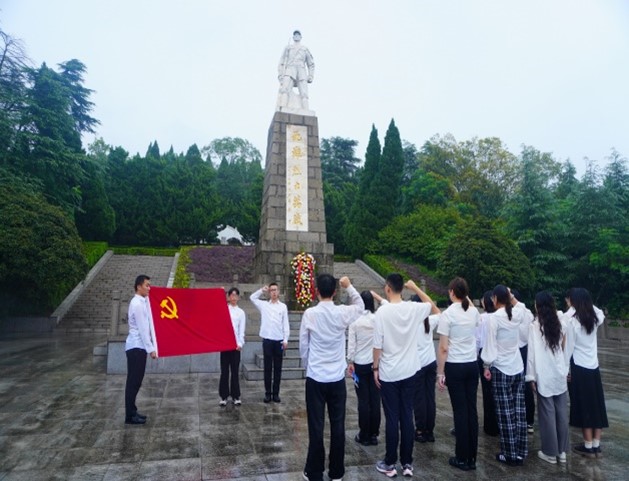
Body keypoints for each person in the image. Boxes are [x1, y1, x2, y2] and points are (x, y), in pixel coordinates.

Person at [373, 275, 440, 479]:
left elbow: (377, 345)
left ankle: (390, 462)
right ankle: (407, 463)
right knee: (407, 416)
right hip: (410, 371)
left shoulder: (382, 312)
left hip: (389, 372)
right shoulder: (413, 309)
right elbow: (432, 305)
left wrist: (375, 368)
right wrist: (416, 288)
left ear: (388, 288)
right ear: (402, 288)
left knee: (392, 417)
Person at [300, 274, 364, 481]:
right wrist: (349, 286)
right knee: (338, 425)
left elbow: (303, 345)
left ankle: (314, 471)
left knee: (316, 425)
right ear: (335, 292)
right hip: (336, 378)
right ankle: (336, 471)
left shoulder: (310, 314)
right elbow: (361, 306)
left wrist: (308, 366)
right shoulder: (342, 312)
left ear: (316, 291)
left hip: (316, 377)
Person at [437, 277, 480, 471]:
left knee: (460, 412)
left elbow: (443, 348)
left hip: (455, 366)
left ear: (452, 292)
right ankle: (472, 457)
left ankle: (462, 457)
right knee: (471, 410)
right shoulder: (473, 312)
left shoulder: (447, 315)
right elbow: (470, 306)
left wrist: (440, 373)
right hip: (472, 365)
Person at [481, 285, 528, 466]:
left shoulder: (495, 318)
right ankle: (520, 451)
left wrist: (486, 365)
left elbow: (490, 344)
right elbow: (522, 307)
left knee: (505, 413)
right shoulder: (516, 313)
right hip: (517, 367)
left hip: (501, 368)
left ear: (494, 298)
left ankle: (509, 453)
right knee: (519, 411)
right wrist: (511, 296)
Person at [525, 291, 569, 464]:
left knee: (547, 413)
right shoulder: (561, 322)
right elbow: (564, 346)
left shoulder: (535, 326)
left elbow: (531, 354)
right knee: (561, 412)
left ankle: (550, 452)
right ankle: (562, 452)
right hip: (559, 371)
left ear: (538, 306)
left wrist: (531, 376)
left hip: (543, 372)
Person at [564, 287, 608, 458]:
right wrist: (588, 304)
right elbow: (600, 312)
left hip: (579, 366)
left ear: (574, 302)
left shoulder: (573, 321)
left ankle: (588, 445)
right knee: (596, 405)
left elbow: (568, 348)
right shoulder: (594, 318)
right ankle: (596, 444)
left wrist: (565, 369)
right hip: (593, 367)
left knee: (584, 406)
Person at [347, 290, 382, 447]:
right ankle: (374, 433)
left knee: (363, 400)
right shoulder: (378, 319)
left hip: (360, 364)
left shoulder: (355, 320)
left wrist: (350, 361)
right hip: (376, 365)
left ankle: (364, 433)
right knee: (375, 399)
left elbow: (351, 344)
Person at [125, 274, 158, 425]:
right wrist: (151, 349)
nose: (149, 288)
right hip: (136, 347)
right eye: (147, 285)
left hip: (138, 347)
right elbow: (143, 329)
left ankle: (132, 411)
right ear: (139, 286)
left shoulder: (142, 302)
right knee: (134, 382)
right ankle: (130, 416)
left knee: (135, 381)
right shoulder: (137, 304)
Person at [251, 282, 290, 403]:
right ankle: (268, 393)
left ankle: (276, 393)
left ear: (279, 292)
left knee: (278, 368)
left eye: (275, 290)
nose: (274, 292)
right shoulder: (264, 305)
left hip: (279, 341)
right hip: (267, 340)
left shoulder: (283, 307)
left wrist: (285, 339)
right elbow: (252, 298)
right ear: (269, 292)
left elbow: (285, 324)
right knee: (267, 368)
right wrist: (261, 290)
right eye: (271, 290)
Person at [412, 293, 440, 444]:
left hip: (418, 365)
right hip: (431, 362)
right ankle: (430, 430)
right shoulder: (429, 320)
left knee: (419, 398)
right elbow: (438, 312)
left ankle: (420, 430)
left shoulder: (411, 323)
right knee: (430, 397)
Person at [513, 289, 536, 434]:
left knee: (521, 386)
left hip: (519, 350)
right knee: (525, 385)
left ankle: (523, 420)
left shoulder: (518, 312)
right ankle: (528, 421)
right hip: (525, 350)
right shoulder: (527, 313)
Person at [476, 290, 499, 436]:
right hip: (498, 354)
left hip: (484, 354)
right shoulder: (499, 317)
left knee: (487, 391)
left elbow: (478, 339)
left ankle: (489, 425)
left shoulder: (482, 318)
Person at [219, 287, 246, 406]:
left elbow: (242, 330)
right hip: (225, 345)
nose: (234, 297)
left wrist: (240, 343)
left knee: (235, 371)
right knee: (224, 371)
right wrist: (220, 292)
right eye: (232, 295)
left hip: (235, 346)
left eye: (236, 295)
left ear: (238, 297)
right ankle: (224, 396)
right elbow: (216, 306)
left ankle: (236, 396)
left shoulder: (241, 313)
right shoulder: (224, 309)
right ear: (229, 297)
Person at [277, 30, 315, 110]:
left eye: (298, 35)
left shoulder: (304, 49)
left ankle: (306, 109)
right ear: (293, 37)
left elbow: (311, 64)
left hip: (301, 71)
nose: (296, 36)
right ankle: (283, 107)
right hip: (290, 69)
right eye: (295, 35)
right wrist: (280, 74)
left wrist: (310, 75)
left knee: (304, 93)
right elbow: (282, 61)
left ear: (301, 37)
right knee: (285, 89)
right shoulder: (288, 48)